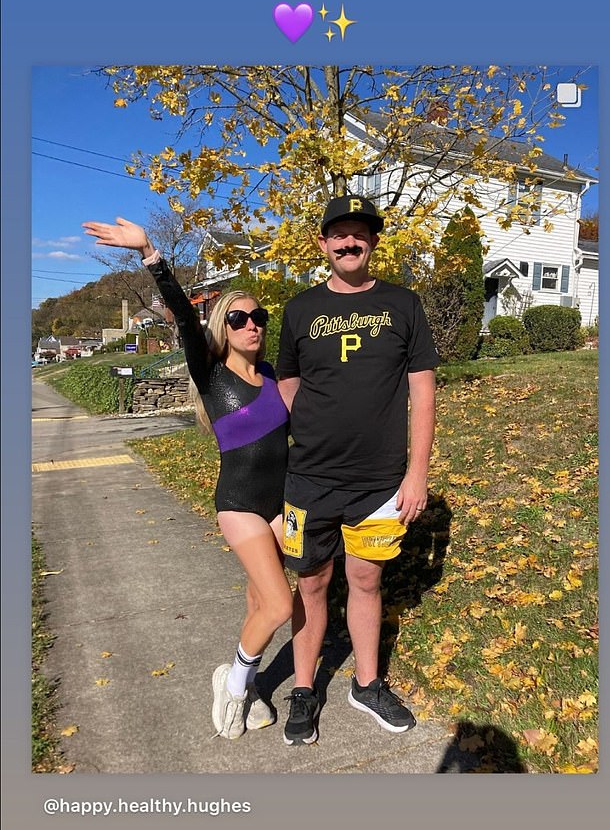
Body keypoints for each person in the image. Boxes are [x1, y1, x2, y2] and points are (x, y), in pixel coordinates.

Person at [82, 217, 293, 740]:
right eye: (240, 317)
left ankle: (248, 682)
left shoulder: (271, 377)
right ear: (223, 326)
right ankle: (234, 685)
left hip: (278, 505)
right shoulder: (211, 372)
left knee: (257, 602)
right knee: (281, 604)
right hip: (241, 505)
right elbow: (181, 314)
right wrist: (151, 252)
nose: (252, 324)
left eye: (259, 316)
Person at [276, 195, 439, 745]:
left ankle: (366, 684)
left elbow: (423, 391)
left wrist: (416, 473)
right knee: (311, 582)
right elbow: (287, 379)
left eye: (360, 234)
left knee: (367, 580)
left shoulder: (403, 305)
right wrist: (314, 422)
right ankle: (304, 689)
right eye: (339, 235)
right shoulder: (298, 309)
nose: (350, 243)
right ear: (323, 244)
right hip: (309, 479)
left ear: (372, 242)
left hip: (378, 482)